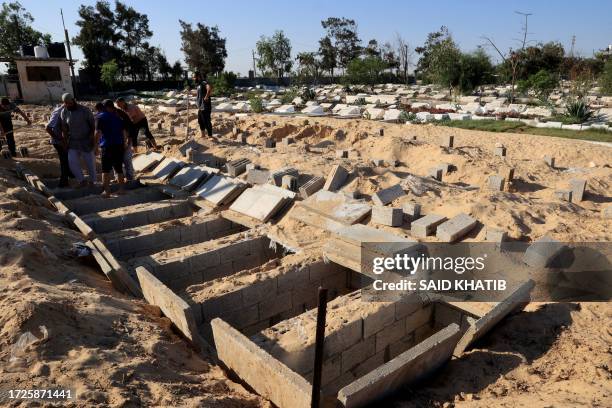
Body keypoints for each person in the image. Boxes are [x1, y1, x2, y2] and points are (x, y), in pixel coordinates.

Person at [60, 93, 96, 187]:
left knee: (90, 163)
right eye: (66, 103)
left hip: (86, 141)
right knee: (72, 162)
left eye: (69, 103)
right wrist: (65, 140)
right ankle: (81, 181)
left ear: (73, 100)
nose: (68, 105)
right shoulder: (64, 112)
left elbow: (92, 125)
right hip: (73, 141)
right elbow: (64, 127)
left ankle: (92, 181)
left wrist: (92, 139)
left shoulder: (85, 110)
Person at [95, 100, 129, 197]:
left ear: (104, 107)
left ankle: (107, 191)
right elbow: (124, 133)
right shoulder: (118, 118)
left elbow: (97, 133)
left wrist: (95, 147)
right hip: (118, 146)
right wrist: (124, 144)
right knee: (119, 168)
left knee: (105, 170)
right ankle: (121, 189)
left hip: (107, 146)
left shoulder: (100, 117)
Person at [45, 104, 72, 187]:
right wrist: (59, 139)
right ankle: (63, 182)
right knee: (64, 160)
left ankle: (70, 175)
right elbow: (48, 128)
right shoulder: (59, 113)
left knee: (66, 159)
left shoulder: (63, 111)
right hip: (59, 142)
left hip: (62, 140)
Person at [195, 71, 213, 138]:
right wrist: (189, 92)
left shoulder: (204, 82)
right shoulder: (198, 85)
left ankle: (210, 136)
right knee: (200, 121)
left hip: (205, 105)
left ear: (198, 77)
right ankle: (203, 135)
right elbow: (198, 94)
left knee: (206, 120)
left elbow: (209, 88)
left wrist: (206, 96)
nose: (194, 78)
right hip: (200, 106)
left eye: (194, 77)